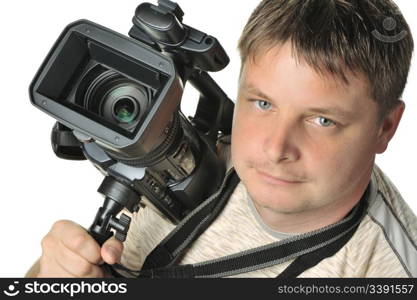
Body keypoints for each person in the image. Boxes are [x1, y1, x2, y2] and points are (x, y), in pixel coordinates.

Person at [26, 0, 416, 278]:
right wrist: (52, 276)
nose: (274, 149)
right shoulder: (191, 154)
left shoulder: (387, 268)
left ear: (386, 127)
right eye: (263, 103)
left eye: (321, 120)